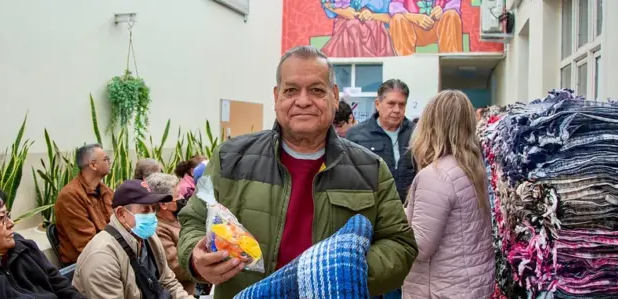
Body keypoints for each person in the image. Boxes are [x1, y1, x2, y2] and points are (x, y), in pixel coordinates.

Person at [177, 46, 418, 299]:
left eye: (316, 90)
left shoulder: (370, 169)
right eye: (291, 90)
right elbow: (193, 220)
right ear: (276, 96)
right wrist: (196, 257)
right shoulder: (231, 158)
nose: (303, 101)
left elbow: (400, 245)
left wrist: (348, 273)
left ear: (334, 96)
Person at [402, 90, 494, 298]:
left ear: (430, 125)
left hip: (439, 288)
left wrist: (390, 222)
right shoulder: (472, 167)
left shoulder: (436, 175)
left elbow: (421, 246)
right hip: (469, 285)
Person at [72, 180, 192, 299]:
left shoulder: (149, 238)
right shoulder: (101, 257)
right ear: (121, 214)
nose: (152, 215)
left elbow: (168, 282)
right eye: (145, 210)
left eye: (154, 208)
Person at [347, 79, 417, 202]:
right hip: (372, 208)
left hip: (409, 209)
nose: (397, 110)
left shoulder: (417, 134)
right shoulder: (356, 136)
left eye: (402, 105)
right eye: (391, 103)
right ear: (377, 104)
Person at [54, 143, 114, 265]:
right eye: (106, 159)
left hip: (110, 254)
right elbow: (87, 244)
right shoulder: (70, 196)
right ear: (93, 165)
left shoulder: (106, 191)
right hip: (88, 263)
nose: (109, 162)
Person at [146, 173, 195, 296]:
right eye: (177, 194)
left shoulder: (177, 218)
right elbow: (178, 269)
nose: (182, 197)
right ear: (163, 204)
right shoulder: (159, 230)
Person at [321, 0, 394, 57]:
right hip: (346, 25)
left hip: (375, 30)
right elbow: (325, 3)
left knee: (357, 26)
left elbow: (390, 18)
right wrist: (343, 11)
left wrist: (372, 15)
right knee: (352, 25)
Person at [388, 0, 463, 56]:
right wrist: (413, 17)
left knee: (451, 15)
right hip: (411, 30)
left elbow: (454, 3)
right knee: (397, 19)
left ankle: (450, 63)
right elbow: (394, 7)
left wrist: (442, 11)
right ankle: (405, 64)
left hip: (439, 28)